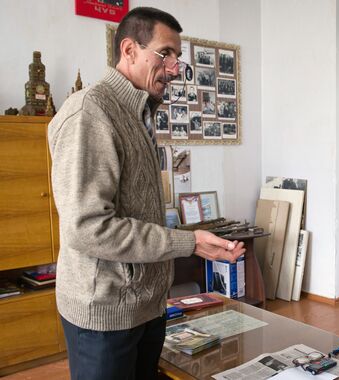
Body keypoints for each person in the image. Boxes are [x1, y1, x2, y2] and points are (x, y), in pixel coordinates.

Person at [48, 7, 245, 380]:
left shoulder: (139, 114)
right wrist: (185, 242)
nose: (174, 68)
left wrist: (192, 243)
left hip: (147, 309)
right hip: (105, 317)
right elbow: (88, 227)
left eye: (177, 57)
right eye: (165, 54)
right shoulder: (90, 113)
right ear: (129, 50)